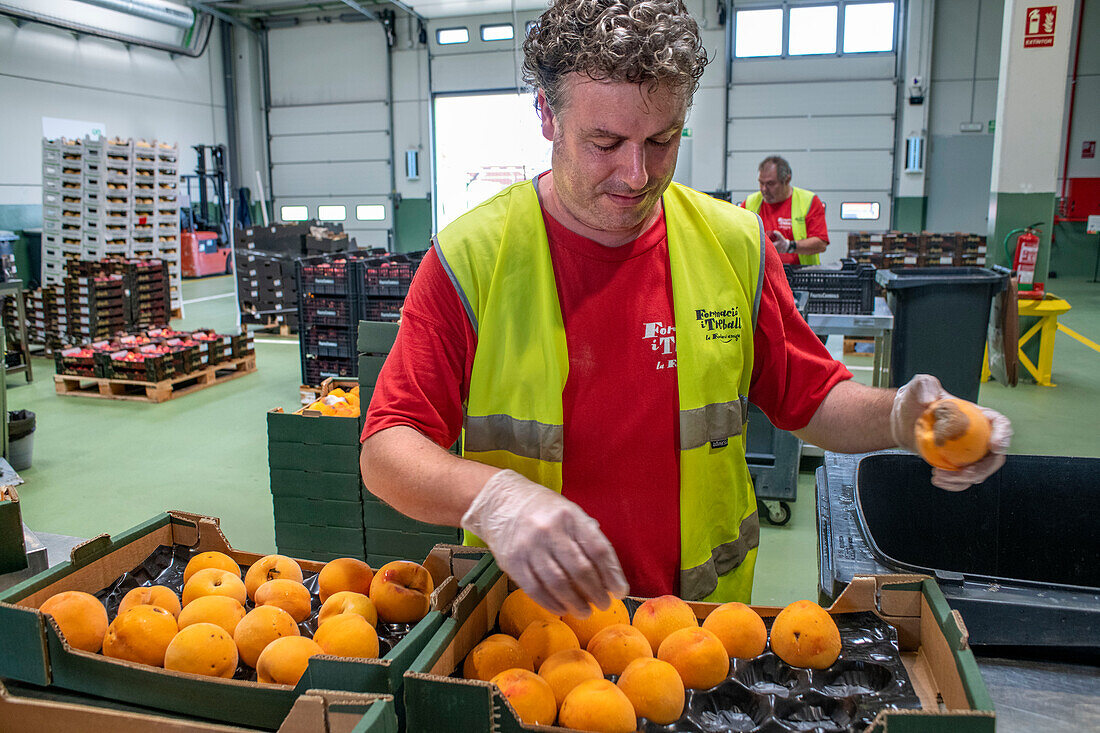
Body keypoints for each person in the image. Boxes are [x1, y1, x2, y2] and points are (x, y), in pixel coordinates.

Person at [360, 0, 1011, 617]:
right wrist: (494, 499)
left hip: (699, 637)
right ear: (548, 116)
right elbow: (388, 448)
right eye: (606, 142)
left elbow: (809, 398)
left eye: (663, 140)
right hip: (533, 637)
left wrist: (904, 418)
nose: (637, 174)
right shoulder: (474, 257)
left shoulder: (734, 245)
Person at [741, 156, 828, 266]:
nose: (764, 189)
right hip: (763, 276)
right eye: (761, 183)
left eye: (770, 184)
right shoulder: (750, 203)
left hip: (799, 276)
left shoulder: (808, 201)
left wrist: (789, 246)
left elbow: (821, 244)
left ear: (787, 180)